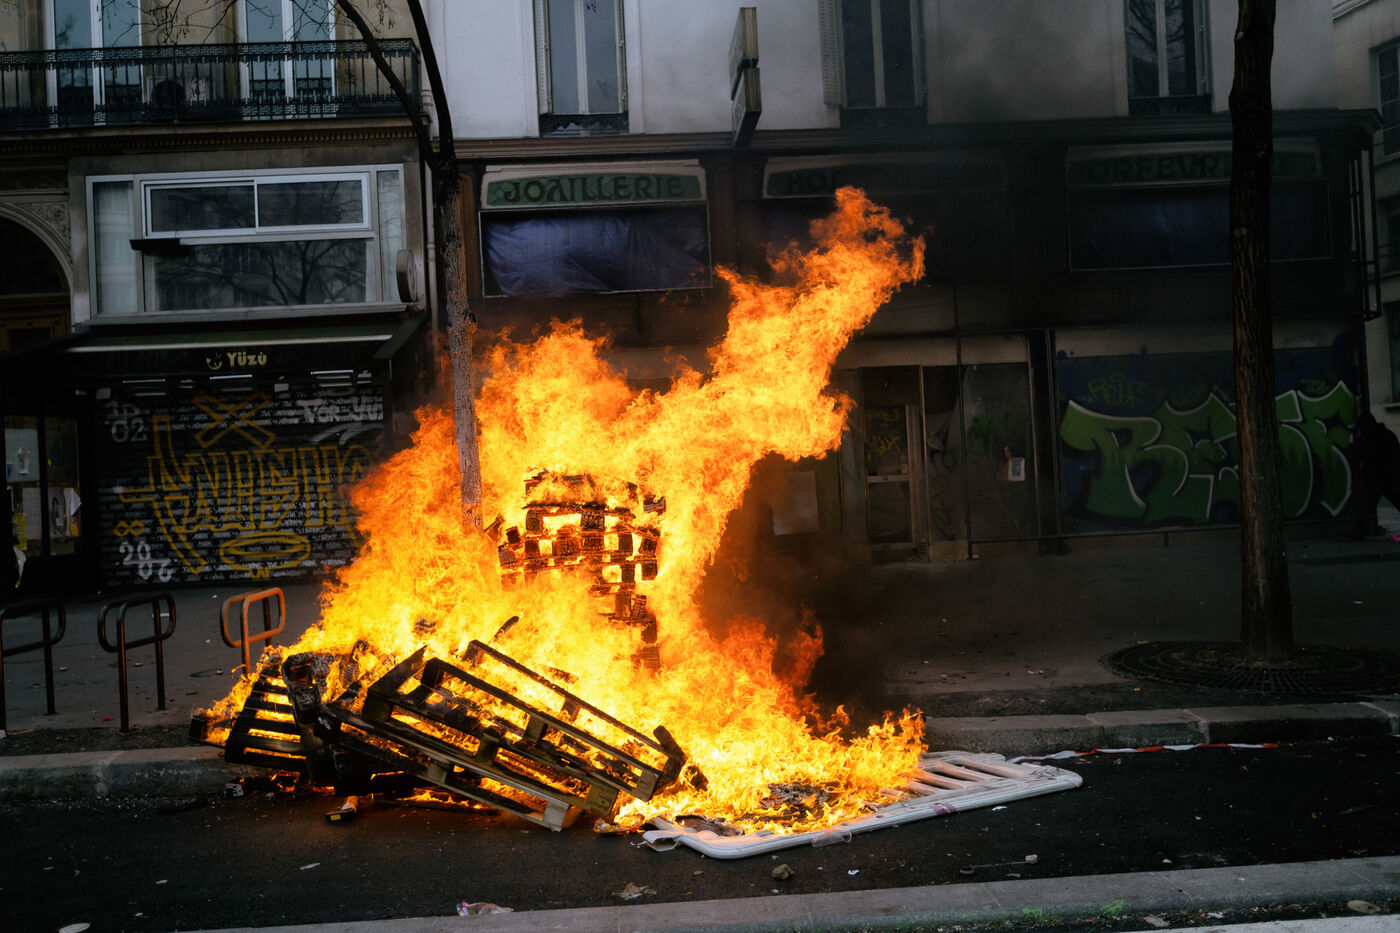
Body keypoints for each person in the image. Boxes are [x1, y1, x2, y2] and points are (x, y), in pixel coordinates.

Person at [1350, 412, 1400, 538]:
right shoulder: (1388, 435)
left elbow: (1361, 454)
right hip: (1390, 476)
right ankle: (1359, 532)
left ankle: (1359, 533)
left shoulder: (1368, 437)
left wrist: (1354, 443)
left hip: (1375, 478)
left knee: (1366, 507)